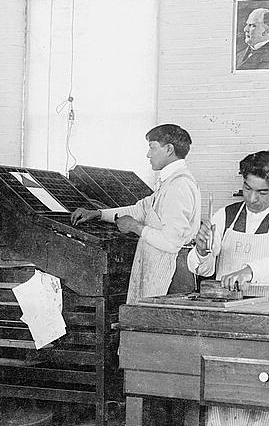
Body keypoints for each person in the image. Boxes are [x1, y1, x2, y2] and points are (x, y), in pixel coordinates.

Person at [187, 151, 269, 426]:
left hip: (268, 314)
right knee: (225, 382)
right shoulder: (225, 215)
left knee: (263, 384)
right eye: (247, 188)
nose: (252, 198)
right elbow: (201, 266)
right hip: (228, 315)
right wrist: (201, 250)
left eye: (262, 192)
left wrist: (249, 271)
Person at [71, 124, 201, 304]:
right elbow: (140, 209)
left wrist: (134, 226)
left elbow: (171, 242)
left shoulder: (178, 186)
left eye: (152, 147)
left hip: (172, 277)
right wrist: (98, 214)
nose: (148, 154)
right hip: (163, 271)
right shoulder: (169, 182)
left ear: (169, 149)